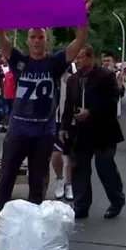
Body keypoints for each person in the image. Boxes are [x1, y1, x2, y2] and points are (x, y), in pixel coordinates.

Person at [0, 0, 92, 228]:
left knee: (38, 182)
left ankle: (34, 227)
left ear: (46, 41)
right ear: (27, 41)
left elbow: (79, 41)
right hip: (17, 132)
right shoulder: (18, 61)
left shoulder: (54, 63)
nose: (36, 40)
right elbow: (1, 35)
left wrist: (82, 14)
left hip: (43, 135)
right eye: (33, 37)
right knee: (6, 179)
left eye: (41, 37)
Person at [61, 46, 125, 219]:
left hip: (103, 130)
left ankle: (116, 201)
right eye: (77, 58)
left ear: (91, 58)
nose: (78, 61)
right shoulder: (74, 80)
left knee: (105, 166)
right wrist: (65, 126)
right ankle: (81, 205)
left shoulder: (105, 76)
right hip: (80, 132)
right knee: (79, 167)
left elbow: (111, 102)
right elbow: (68, 105)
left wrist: (91, 112)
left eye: (81, 57)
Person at [51, 61, 77, 201]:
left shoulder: (73, 78)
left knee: (70, 156)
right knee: (56, 154)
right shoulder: (53, 78)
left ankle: (69, 184)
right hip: (54, 120)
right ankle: (60, 179)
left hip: (70, 121)